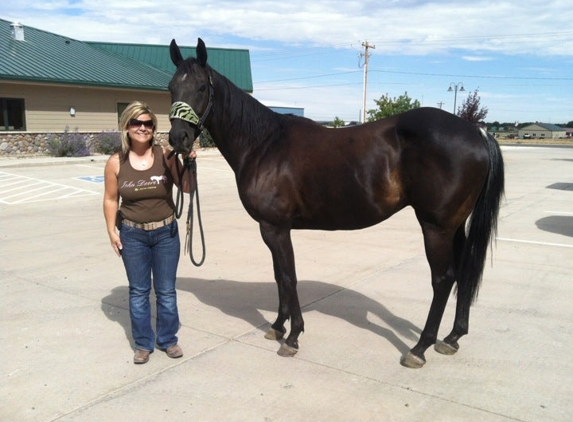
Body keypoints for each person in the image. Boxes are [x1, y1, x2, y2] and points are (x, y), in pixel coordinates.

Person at [103, 101, 195, 364]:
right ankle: (143, 343)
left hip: (166, 233)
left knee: (166, 291)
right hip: (133, 235)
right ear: (127, 127)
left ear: (154, 127)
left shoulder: (166, 156)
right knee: (139, 291)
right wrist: (111, 231)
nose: (142, 128)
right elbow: (111, 199)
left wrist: (188, 163)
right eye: (136, 123)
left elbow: (187, 189)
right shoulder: (115, 162)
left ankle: (168, 339)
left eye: (148, 123)